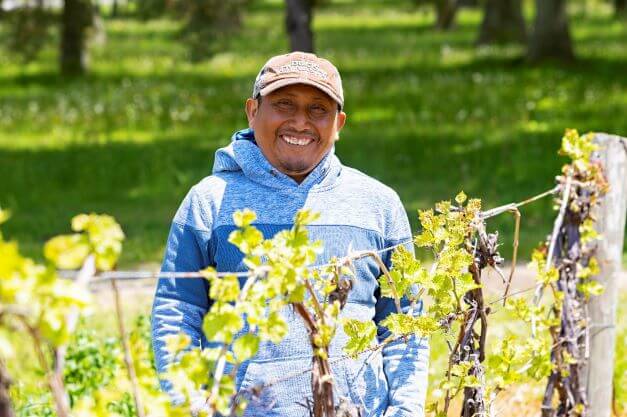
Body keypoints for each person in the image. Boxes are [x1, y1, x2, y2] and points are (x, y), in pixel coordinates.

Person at [151, 52, 429, 417]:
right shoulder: (209, 201)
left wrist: (405, 411)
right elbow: (176, 313)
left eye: (318, 109)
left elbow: (405, 320)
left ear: (339, 122)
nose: (300, 122)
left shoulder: (378, 204)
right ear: (253, 111)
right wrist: (191, 407)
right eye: (284, 105)